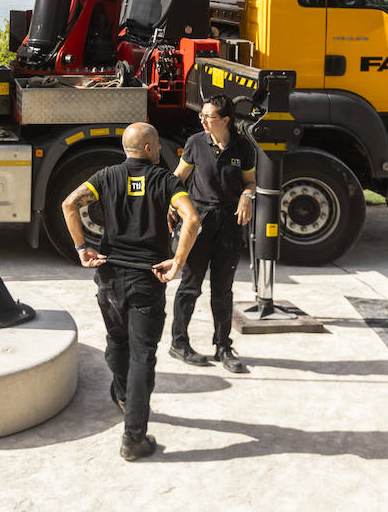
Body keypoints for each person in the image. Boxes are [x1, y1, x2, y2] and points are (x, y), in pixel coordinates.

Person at [61, 122, 200, 461]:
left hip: (109, 278)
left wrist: (81, 248)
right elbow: (192, 219)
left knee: (117, 341)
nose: (159, 150)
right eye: (157, 146)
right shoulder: (165, 181)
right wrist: (177, 262)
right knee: (142, 357)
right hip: (145, 281)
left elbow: (69, 204)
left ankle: (123, 394)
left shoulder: (106, 176)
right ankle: (133, 437)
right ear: (150, 149)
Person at [169, 95, 256, 374]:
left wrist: (247, 197)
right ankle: (179, 343)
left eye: (209, 116)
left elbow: (250, 182)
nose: (203, 120)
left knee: (223, 289)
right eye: (202, 116)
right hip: (200, 221)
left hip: (229, 223)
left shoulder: (243, 147)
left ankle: (223, 346)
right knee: (190, 285)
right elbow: (178, 177)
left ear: (225, 120)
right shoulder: (195, 143)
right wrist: (172, 203)